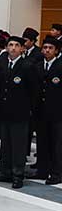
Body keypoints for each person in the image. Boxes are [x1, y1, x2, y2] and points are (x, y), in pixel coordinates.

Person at [0, 36, 39, 189]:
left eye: (16, 45)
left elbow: (34, 90)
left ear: (22, 49)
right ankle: (5, 172)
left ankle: (18, 174)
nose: (13, 48)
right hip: (4, 111)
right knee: (5, 143)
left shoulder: (27, 66)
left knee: (18, 145)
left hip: (20, 112)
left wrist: (30, 109)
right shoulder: (2, 64)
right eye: (10, 45)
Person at [35, 36, 62, 185]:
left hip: (57, 112)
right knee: (42, 141)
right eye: (45, 48)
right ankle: (42, 170)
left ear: (56, 51)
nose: (47, 50)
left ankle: (57, 173)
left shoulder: (60, 66)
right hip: (41, 111)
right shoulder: (38, 66)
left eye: (50, 48)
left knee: (57, 144)